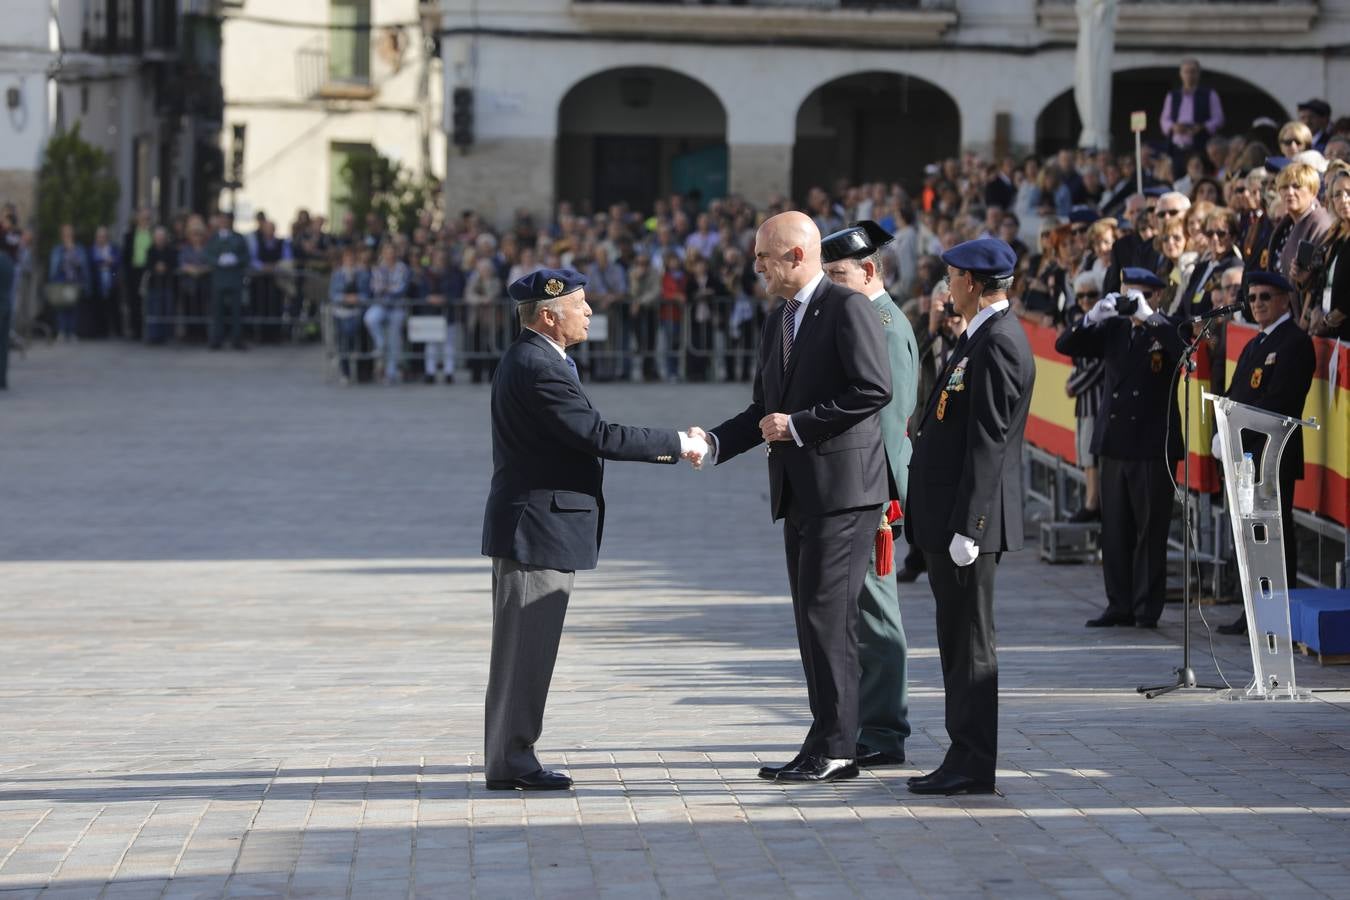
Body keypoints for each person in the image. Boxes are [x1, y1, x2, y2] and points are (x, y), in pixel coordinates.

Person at [481, 268, 705, 791]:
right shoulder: (539, 365)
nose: (588, 312)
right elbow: (596, 434)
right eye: (579, 305)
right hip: (537, 529)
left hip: (538, 524)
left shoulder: (540, 358)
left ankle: (508, 754)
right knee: (526, 651)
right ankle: (512, 760)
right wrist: (679, 442)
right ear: (547, 316)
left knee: (523, 651)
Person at [694, 211, 892, 785]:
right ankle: (824, 738)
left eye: (764, 256)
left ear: (797, 255)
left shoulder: (847, 307)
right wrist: (713, 443)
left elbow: (872, 389)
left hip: (844, 492)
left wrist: (800, 425)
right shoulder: (779, 317)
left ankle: (838, 747)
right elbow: (764, 409)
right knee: (812, 620)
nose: (756, 266)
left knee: (829, 619)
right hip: (800, 491)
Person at [905, 238, 1034, 797]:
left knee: (971, 647)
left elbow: (989, 442)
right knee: (957, 643)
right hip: (950, 516)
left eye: (953, 276)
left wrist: (971, 527)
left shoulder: (999, 342)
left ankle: (973, 761)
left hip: (966, 523)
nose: (947, 286)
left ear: (975, 284)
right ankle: (963, 753)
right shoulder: (979, 335)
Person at [821, 220, 919, 771]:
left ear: (868, 270)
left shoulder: (883, 325)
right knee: (859, 611)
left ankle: (884, 729)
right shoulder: (863, 317)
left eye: (838, 275)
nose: (831, 285)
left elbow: (888, 418)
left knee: (876, 615)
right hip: (860, 485)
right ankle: (869, 722)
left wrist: (878, 497)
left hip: (872, 490)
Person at [1057, 268, 1183, 630]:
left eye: (1138, 295)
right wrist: (1092, 316)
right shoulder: (1114, 328)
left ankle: (1146, 608)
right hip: (1114, 441)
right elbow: (1065, 345)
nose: (1130, 302)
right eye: (1126, 294)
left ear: (1156, 296)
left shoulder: (1167, 327)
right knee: (1114, 529)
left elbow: (1183, 352)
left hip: (1151, 443)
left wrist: (1149, 316)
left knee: (1149, 530)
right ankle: (1119, 603)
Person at [1212, 270, 1317, 636]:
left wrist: (1236, 433)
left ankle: (1275, 617)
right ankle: (1254, 614)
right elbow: (1234, 393)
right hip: (1246, 456)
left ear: (1285, 300)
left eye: (1265, 297)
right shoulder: (1256, 343)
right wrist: (1222, 429)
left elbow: (1280, 403)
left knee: (1272, 539)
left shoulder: (1294, 343)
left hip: (1272, 456)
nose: (1257, 304)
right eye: (1252, 297)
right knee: (1249, 540)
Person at [1064, 270, 1105, 522]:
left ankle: (1093, 503)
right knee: (1084, 451)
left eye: (1091, 295)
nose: (1086, 301)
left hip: (1097, 397)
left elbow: (1099, 364)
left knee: (1092, 453)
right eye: (1080, 296)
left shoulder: (1102, 324)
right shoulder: (1081, 322)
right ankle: (1091, 501)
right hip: (1085, 399)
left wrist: (1074, 385)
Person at [1160, 59, 1224, 167]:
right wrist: (1174, 127)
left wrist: (1202, 127)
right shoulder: (1172, 96)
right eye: (1186, 72)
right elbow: (1164, 119)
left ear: (1198, 74)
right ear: (1181, 74)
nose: (1189, 75)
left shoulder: (1209, 94)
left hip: (1200, 147)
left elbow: (1218, 118)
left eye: (1193, 72)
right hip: (1177, 148)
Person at [205, 211, 250, 351]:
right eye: (221, 220)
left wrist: (236, 259)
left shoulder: (239, 237)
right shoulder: (213, 238)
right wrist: (217, 260)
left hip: (234, 278)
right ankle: (216, 339)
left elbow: (246, 255)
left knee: (236, 311)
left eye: (226, 220)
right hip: (219, 278)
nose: (224, 222)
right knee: (217, 311)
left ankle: (237, 339)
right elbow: (207, 254)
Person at [328, 245, 369, 384]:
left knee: (353, 335)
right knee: (343, 340)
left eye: (352, 258)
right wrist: (344, 298)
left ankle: (359, 370)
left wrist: (357, 298)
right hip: (340, 311)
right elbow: (332, 294)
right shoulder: (337, 274)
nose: (350, 260)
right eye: (347, 258)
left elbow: (367, 293)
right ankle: (345, 372)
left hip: (357, 311)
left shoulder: (362, 274)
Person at [47, 224, 89, 342]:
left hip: (74, 281)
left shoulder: (78, 248)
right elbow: (54, 267)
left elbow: (82, 265)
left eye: (69, 232)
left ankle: (72, 332)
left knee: (73, 307)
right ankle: (61, 331)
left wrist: (72, 251)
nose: (67, 235)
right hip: (61, 281)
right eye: (65, 232)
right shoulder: (58, 249)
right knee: (61, 307)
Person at [143, 226, 178, 345]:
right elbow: (148, 265)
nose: (160, 239)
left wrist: (165, 267)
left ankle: (166, 335)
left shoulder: (171, 250)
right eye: (158, 237)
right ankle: (154, 336)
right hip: (154, 285)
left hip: (168, 284)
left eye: (162, 237)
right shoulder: (150, 250)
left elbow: (174, 264)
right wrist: (156, 268)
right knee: (154, 309)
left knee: (167, 309)